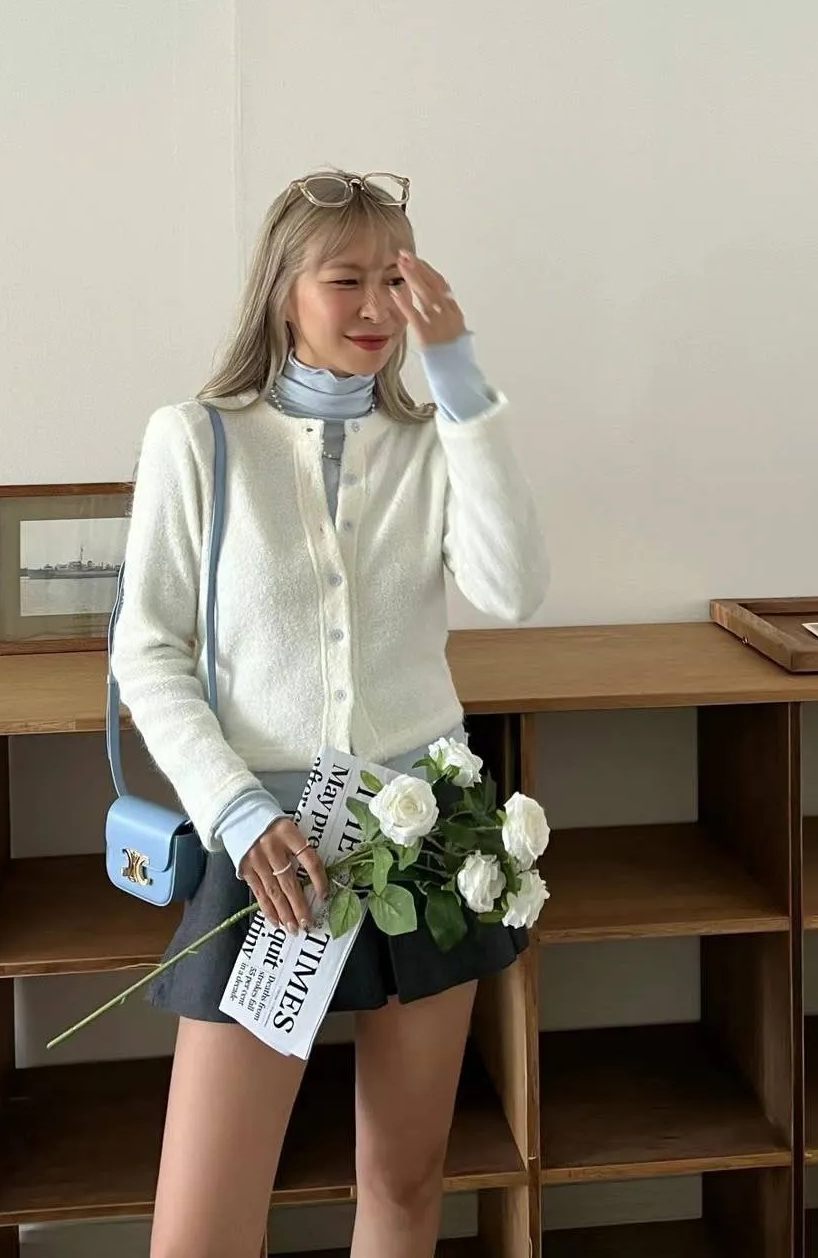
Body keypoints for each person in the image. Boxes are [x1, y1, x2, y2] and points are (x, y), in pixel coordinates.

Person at [111, 169, 549, 1258]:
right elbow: (147, 651)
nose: (374, 308)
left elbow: (513, 590)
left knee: (406, 1180)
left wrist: (459, 379)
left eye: (393, 279)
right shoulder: (198, 438)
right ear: (282, 292)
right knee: (204, 1227)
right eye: (344, 279)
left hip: (426, 831)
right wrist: (236, 812)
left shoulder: (433, 439)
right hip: (272, 847)